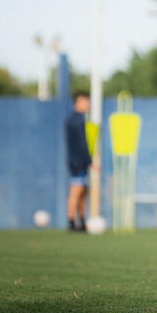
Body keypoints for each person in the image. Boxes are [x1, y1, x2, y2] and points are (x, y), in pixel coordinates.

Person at [65, 91, 92, 232]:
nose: (89, 104)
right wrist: (89, 160)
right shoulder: (77, 121)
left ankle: (81, 221)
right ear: (79, 102)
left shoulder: (74, 119)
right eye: (86, 101)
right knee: (76, 190)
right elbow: (82, 143)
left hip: (77, 161)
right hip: (78, 162)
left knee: (83, 191)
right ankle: (71, 222)